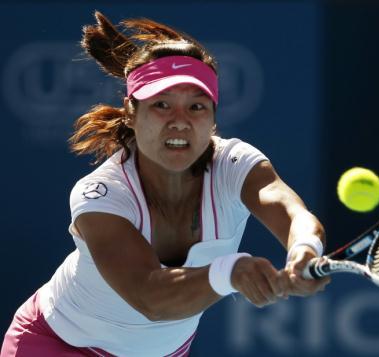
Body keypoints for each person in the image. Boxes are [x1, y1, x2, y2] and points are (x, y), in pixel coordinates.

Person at [1, 11, 329, 357]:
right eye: (161, 105)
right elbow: (149, 297)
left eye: (196, 107)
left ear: (214, 117)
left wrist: (304, 249)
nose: (180, 122)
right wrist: (230, 271)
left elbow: (294, 214)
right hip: (56, 346)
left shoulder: (236, 165)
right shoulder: (102, 192)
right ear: (130, 111)